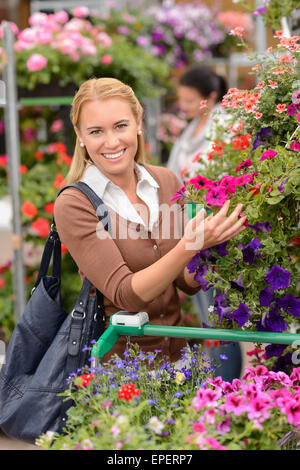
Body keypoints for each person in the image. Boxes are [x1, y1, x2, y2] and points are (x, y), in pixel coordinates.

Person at [54, 77, 247, 363]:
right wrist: (192, 244)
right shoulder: (75, 203)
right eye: (96, 131)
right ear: (80, 135)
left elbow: (187, 282)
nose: (111, 141)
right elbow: (125, 295)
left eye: (121, 126)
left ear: (138, 122)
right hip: (121, 373)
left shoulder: (165, 181)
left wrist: (216, 240)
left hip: (180, 365)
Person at [167, 65, 228, 180]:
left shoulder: (225, 126)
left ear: (211, 97)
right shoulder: (192, 126)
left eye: (189, 101)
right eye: (180, 99)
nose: (183, 106)